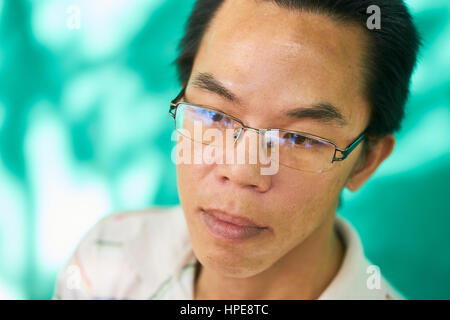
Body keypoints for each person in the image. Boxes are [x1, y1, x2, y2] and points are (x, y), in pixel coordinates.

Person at [53, 0, 420, 300]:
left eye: (300, 139)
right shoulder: (106, 259)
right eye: (215, 114)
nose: (242, 171)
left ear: (365, 162)